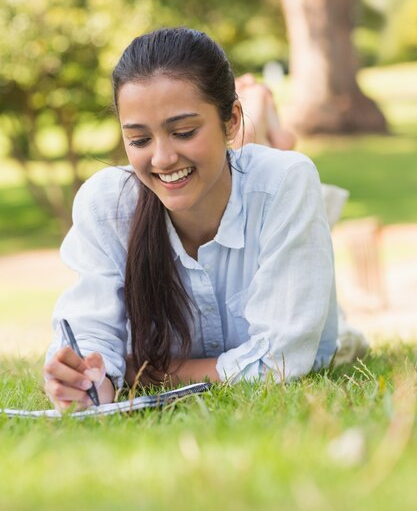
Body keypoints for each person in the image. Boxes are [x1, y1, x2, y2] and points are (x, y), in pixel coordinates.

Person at [44, 27, 338, 412]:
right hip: (237, 178)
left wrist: (146, 373)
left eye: (183, 132)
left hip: (274, 216)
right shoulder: (108, 205)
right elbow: (91, 334)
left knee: (264, 177)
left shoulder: (286, 182)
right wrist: (86, 377)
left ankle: (261, 119)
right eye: (139, 140)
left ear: (231, 119)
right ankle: (260, 121)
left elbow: (281, 361)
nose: (162, 159)